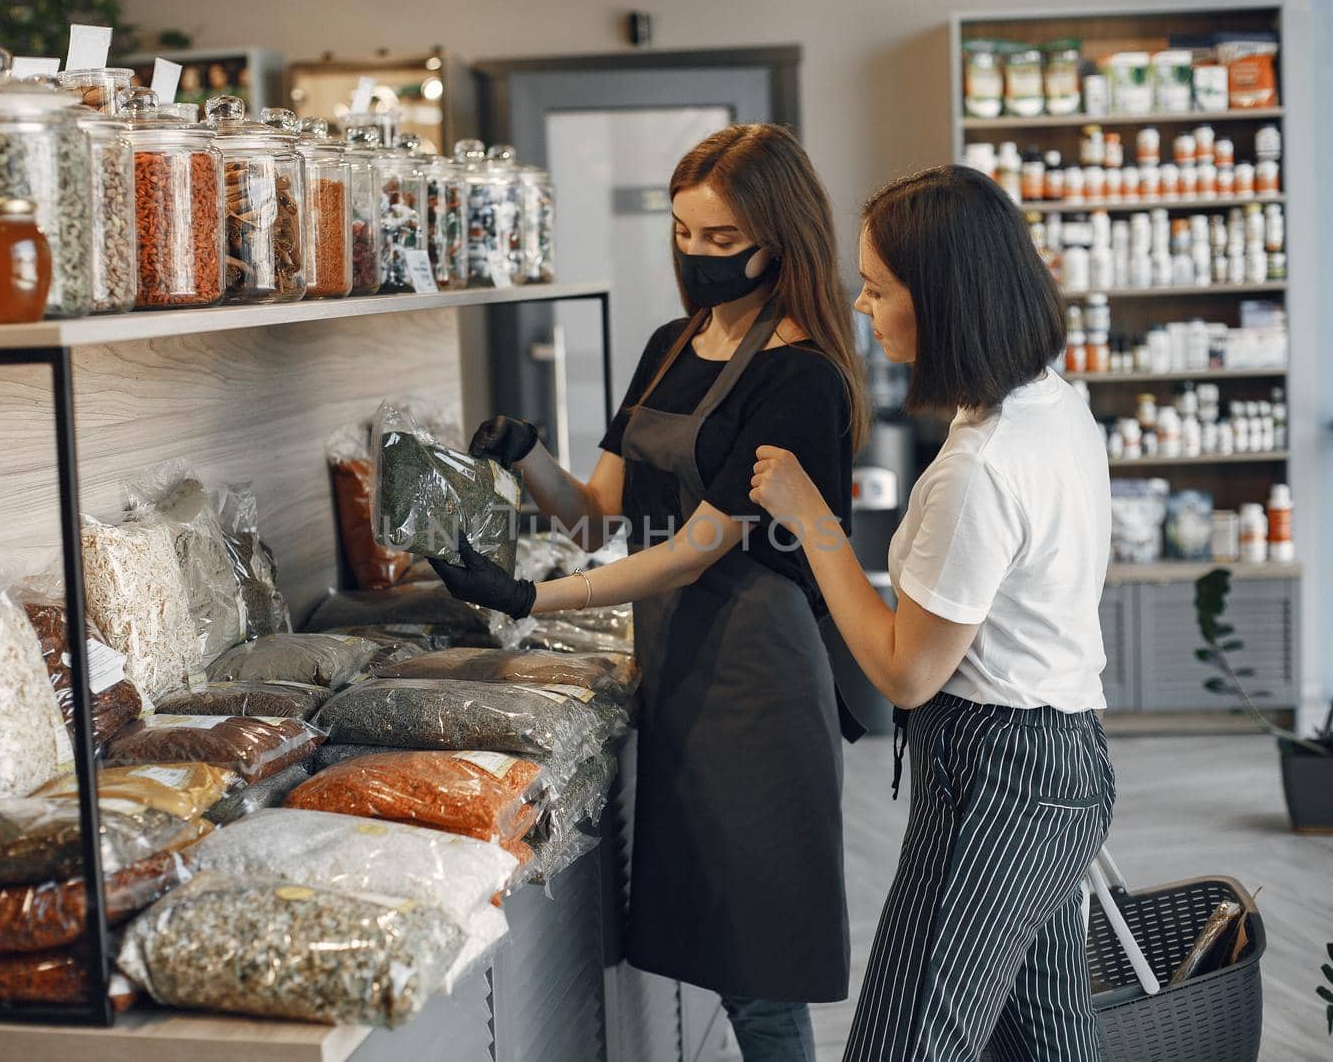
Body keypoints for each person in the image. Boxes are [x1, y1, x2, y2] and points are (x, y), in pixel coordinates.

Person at [429, 123, 866, 1061]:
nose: (698, 256)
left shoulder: (804, 377)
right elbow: (597, 516)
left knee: (761, 969)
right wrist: (527, 454)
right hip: (675, 663)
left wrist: (527, 600)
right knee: (711, 935)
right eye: (684, 234)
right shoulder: (672, 346)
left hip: (759, 676)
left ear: (780, 240)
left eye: (721, 240)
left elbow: (696, 548)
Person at [749, 164, 1116, 1062]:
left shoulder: (980, 466)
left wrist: (814, 522)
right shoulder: (1047, 403)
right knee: (1044, 1044)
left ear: (943, 299)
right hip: (1062, 759)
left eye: (878, 290)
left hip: (1001, 777)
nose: (864, 310)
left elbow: (907, 669)